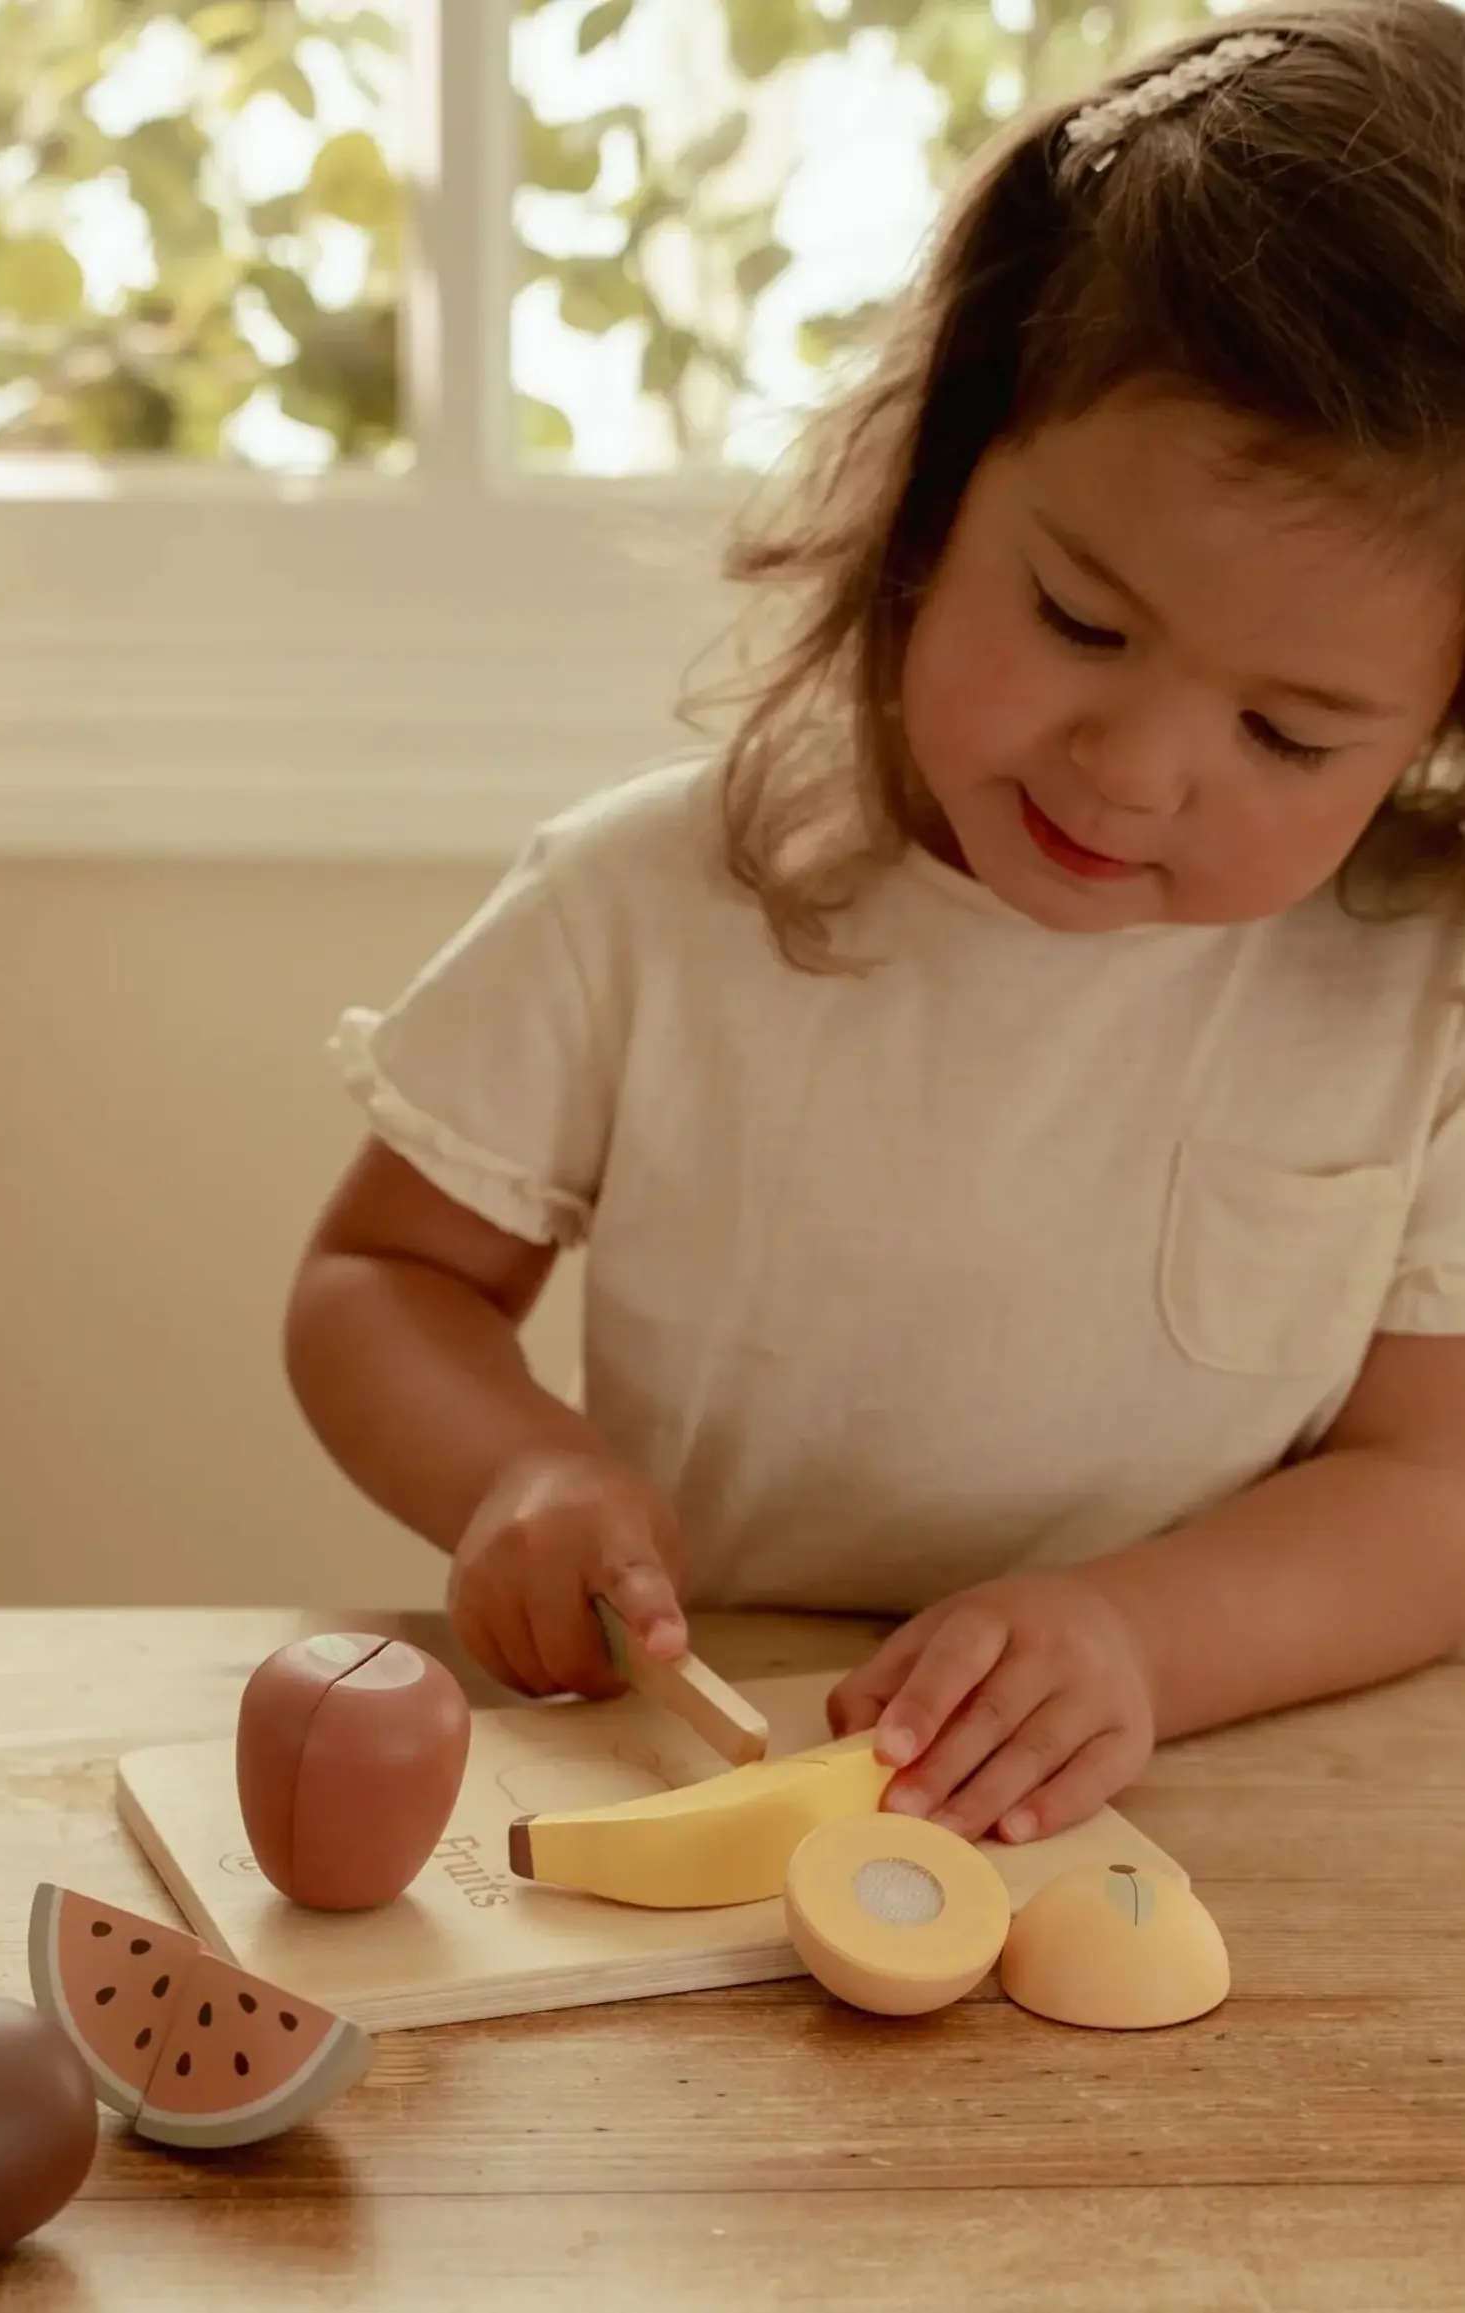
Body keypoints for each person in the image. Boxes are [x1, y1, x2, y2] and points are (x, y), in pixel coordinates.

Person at [283, 0, 1465, 1851]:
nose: (1138, 772)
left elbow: (1433, 1485)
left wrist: (1136, 1640)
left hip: (1226, 1792)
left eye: (1289, 734)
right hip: (698, 1764)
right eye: (1080, 619)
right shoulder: (648, 904)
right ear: (936, 490)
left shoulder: (1427, 996)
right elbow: (382, 1284)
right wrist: (521, 1469)